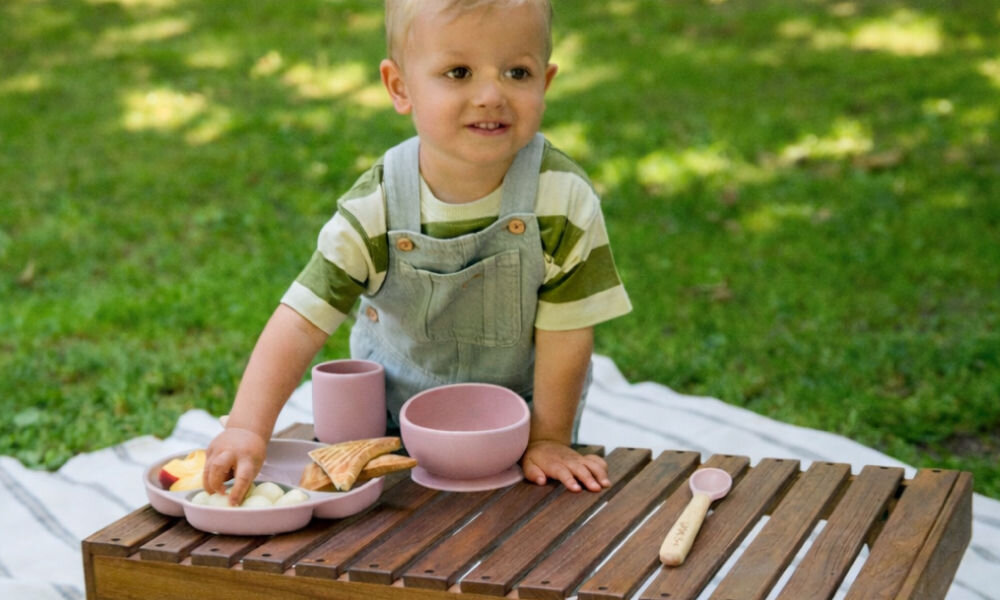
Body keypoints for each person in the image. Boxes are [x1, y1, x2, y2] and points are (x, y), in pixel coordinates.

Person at [204, 0, 632, 504]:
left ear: (546, 82)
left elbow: (568, 331)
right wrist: (247, 428)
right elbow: (301, 320)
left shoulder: (562, 199)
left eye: (517, 72)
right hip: (390, 434)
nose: (491, 95)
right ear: (400, 87)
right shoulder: (378, 207)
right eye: (459, 72)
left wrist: (549, 439)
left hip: (517, 435)